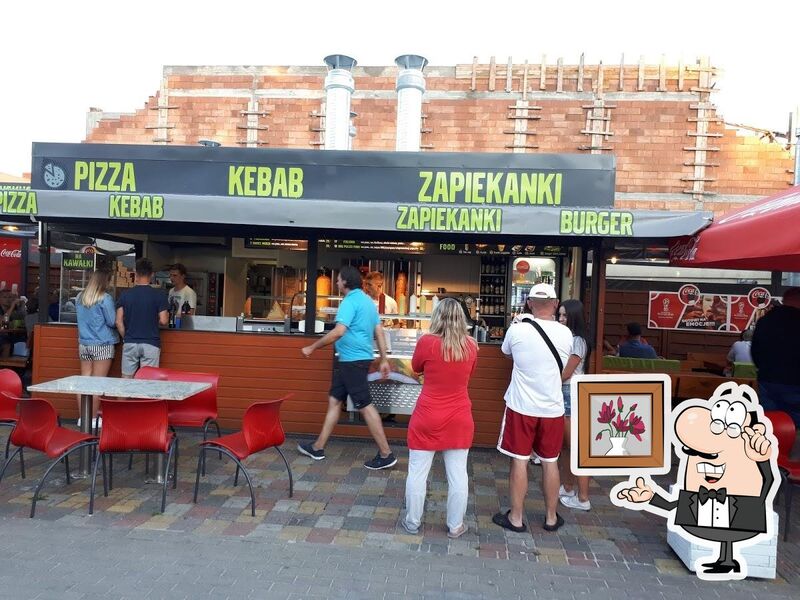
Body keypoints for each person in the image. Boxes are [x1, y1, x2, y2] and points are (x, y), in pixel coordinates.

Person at [298, 265, 397, 470]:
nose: (336, 282)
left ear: (345, 282)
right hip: (351, 361)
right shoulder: (367, 301)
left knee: (365, 405)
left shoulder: (349, 302)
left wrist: (312, 347)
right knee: (335, 401)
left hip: (353, 361)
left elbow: (338, 332)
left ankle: (386, 454)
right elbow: (379, 331)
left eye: (338, 279)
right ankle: (318, 447)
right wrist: (383, 358)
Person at [493, 282, 572, 533]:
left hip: (521, 407)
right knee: (550, 461)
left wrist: (522, 322)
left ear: (529, 303)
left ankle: (516, 517)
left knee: (520, 460)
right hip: (552, 408)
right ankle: (551, 517)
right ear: (555, 304)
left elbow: (507, 353)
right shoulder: (566, 334)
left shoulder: (517, 330)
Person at [401, 298, 479, 537]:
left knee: (417, 472)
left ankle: (412, 522)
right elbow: (469, 375)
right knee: (458, 475)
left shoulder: (427, 342)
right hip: (459, 417)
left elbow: (416, 367)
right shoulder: (471, 346)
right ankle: (455, 525)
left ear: (436, 317)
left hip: (427, 416)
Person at [556, 299, 593, 511]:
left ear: (574, 317)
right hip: (568, 393)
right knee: (566, 447)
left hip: (570, 393)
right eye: (559, 315)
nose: (561, 319)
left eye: (565, 316)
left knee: (575, 448)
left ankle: (583, 498)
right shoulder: (571, 338)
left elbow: (567, 373)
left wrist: (546, 380)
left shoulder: (577, 340)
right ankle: (568, 487)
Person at [751, 287, 800, 429]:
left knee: (770, 422)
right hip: (796, 382)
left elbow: (755, 351)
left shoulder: (765, 320)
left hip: (768, 380)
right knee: (795, 425)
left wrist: (764, 368)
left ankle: (772, 442)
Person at [75, 270, 119, 424]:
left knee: (85, 381)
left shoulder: (80, 297)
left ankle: (83, 419)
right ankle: (93, 419)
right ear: (104, 281)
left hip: (84, 344)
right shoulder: (105, 298)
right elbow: (112, 321)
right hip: (102, 344)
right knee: (97, 382)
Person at [115, 258, 169, 378]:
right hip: (151, 343)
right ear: (152, 274)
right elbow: (164, 320)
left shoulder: (125, 295)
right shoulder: (159, 295)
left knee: (125, 381)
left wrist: (126, 337)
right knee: (148, 382)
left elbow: (118, 322)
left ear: (135, 273)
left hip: (130, 342)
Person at [0, 290, 26, 358]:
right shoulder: (11, 307)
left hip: (13, 335)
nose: (8, 299)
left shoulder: (16, 309)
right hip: (2, 336)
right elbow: (2, 322)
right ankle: (5, 364)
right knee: (6, 343)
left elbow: (24, 321)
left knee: (25, 341)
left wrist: (22, 306)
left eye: (10, 297)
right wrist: (12, 306)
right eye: (5, 297)